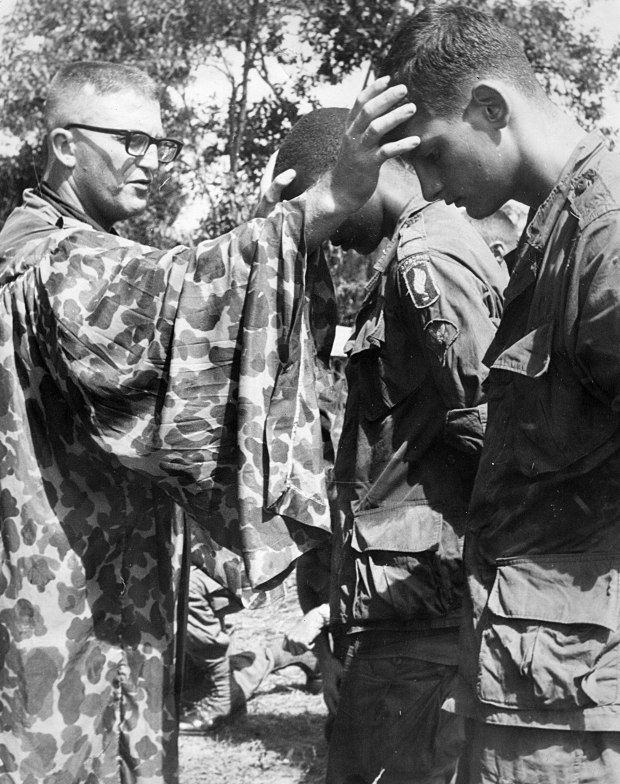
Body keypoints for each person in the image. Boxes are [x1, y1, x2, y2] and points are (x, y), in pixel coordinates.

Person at [0, 61, 420, 782]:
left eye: (157, 143)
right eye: (129, 139)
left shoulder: (82, 247)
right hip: (54, 611)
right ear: (65, 146)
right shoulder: (41, 256)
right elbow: (170, 293)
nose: (151, 160)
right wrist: (317, 206)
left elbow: (175, 300)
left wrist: (280, 233)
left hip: (104, 605)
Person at [382, 5, 620, 782]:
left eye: (433, 150)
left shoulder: (604, 238)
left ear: (489, 108)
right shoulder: (552, 234)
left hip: (579, 707)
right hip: (543, 681)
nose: (427, 180)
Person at [270, 107, 507, 784]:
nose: (330, 231)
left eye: (329, 204)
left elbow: (489, 422)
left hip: (423, 618)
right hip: (396, 607)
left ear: (354, 174)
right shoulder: (402, 252)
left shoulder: (424, 255)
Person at [178, 561, 321, 734]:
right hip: (199, 557)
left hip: (247, 559)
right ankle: (289, 652)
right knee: (189, 692)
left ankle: (224, 695)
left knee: (183, 585)